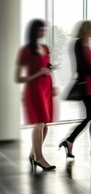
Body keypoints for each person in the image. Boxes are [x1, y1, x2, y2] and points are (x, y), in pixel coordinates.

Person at [60, 20, 91, 161]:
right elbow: (82, 67)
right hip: (86, 87)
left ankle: (71, 141)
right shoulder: (78, 43)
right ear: (86, 30)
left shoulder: (88, 44)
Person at [15, 19, 56, 171]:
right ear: (33, 31)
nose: (42, 32)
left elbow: (45, 66)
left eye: (43, 29)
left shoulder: (45, 47)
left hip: (46, 88)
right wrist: (37, 73)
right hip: (34, 89)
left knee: (45, 126)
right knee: (39, 123)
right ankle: (39, 158)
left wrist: (49, 70)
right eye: (39, 29)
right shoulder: (25, 50)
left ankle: (33, 154)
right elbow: (18, 77)